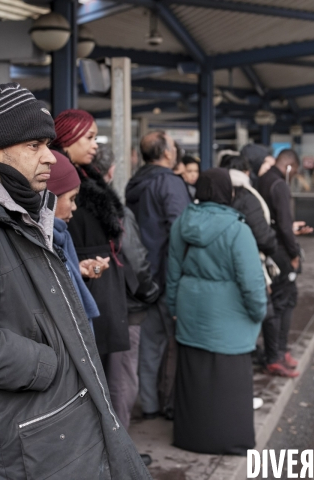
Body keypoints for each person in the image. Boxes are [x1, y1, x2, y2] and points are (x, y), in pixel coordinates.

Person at [0, 83, 149, 479]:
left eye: (48, 145)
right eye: (34, 145)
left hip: (37, 428)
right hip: (13, 437)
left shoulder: (17, 209)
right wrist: (44, 364)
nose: (50, 158)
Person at [167, 168, 267, 455]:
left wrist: (175, 308)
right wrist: (258, 311)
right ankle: (230, 440)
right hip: (230, 318)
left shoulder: (181, 223)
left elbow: (172, 272)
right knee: (228, 383)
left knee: (195, 377)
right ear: (229, 193)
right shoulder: (238, 229)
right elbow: (252, 281)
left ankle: (191, 437)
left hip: (191, 311)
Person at [51, 110, 131, 382]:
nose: (95, 144)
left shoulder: (87, 176)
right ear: (68, 137)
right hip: (84, 284)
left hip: (94, 277)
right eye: (89, 137)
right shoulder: (57, 176)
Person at [92, 145, 160, 433]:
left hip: (90, 303)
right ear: (110, 171)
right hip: (123, 305)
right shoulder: (113, 208)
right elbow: (134, 256)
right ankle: (120, 454)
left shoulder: (72, 201)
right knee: (121, 379)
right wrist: (150, 290)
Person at [125, 131, 191, 419]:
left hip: (142, 277)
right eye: (174, 147)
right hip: (167, 276)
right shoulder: (169, 183)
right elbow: (182, 231)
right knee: (177, 344)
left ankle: (150, 404)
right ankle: (172, 404)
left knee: (149, 344)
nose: (176, 151)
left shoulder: (134, 183)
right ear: (166, 153)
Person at [257, 149, 313, 377]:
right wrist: (294, 252)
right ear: (289, 166)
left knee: (282, 299)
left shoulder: (262, 181)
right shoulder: (279, 185)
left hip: (269, 246)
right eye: (295, 171)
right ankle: (276, 355)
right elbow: (283, 221)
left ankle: (278, 351)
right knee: (283, 300)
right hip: (280, 250)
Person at [221, 154, 280, 367]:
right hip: (251, 260)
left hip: (222, 265)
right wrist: (273, 246)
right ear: (246, 172)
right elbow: (262, 235)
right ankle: (271, 357)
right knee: (265, 309)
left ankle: (251, 353)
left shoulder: (217, 193)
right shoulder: (246, 195)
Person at [46, 150, 110, 335]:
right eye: (72, 199)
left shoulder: (61, 237)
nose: (74, 208)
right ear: (49, 198)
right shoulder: (43, 240)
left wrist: (81, 270)